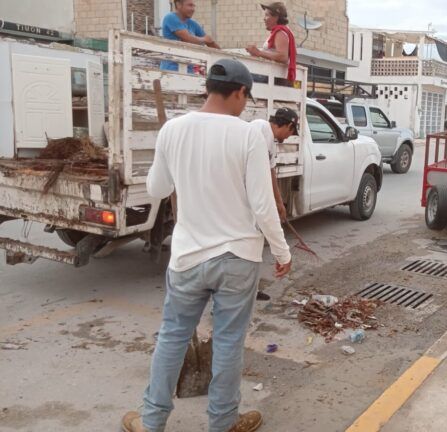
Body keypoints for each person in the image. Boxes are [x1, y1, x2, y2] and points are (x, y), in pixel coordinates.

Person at [121, 58, 291, 432]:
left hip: (187, 257)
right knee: (229, 341)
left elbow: (157, 189)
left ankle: (151, 422)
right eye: (247, 96)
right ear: (240, 92)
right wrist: (282, 252)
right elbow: (263, 205)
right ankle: (223, 423)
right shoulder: (247, 134)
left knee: (172, 337)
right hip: (238, 257)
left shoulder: (173, 130)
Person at [251, 107, 300, 222]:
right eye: (292, 132)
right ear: (289, 126)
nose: (289, 136)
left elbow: (271, 171)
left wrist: (279, 202)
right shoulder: (260, 127)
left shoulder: (271, 144)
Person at [160, 0, 220, 72]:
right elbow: (188, 38)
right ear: (178, 4)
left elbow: (210, 42)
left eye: (194, 6)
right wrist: (204, 40)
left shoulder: (193, 23)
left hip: (189, 69)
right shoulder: (170, 17)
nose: (193, 9)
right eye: (190, 5)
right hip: (171, 69)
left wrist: (224, 56)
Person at [246, 2, 297, 82]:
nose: (264, 18)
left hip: (270, 78)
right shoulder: (281, 31)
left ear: (276, 17)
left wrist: (259, 53)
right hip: (270, 76)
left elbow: (283, 57)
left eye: (267, 15)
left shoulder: (280, 32)